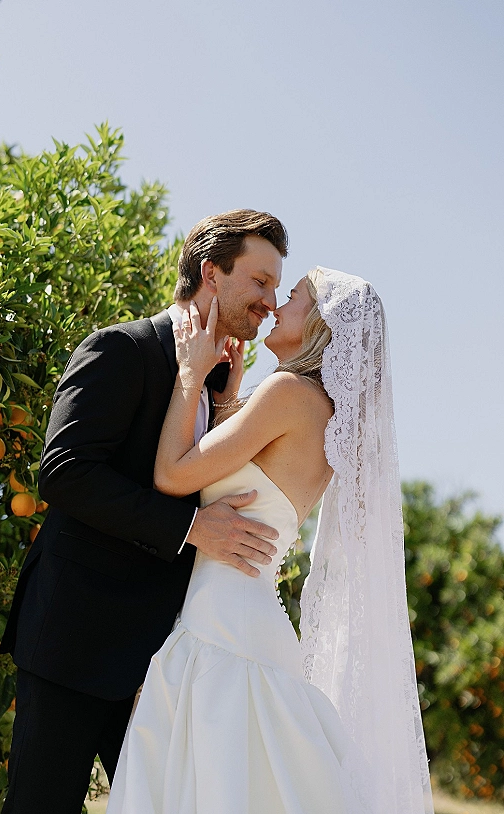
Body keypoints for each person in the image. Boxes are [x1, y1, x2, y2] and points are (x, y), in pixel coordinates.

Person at [107, 267, 434, 814]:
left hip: (222, 623)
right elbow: (258, 477)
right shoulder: (325, 416)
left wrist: (190, 374)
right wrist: (231, 400)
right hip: (247, 617)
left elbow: (171, 475)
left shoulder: (286, 392)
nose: (279, 305)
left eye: (296, 297)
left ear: (319, 326)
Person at [0, 209, 289, 814]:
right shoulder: (121, 349)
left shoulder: (217, 384)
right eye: (260, 281)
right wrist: (188, 527)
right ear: (212, 274)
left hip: (163, 662)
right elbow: (65, 470)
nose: (271, 300)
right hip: (75, 641)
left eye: (276, 286)